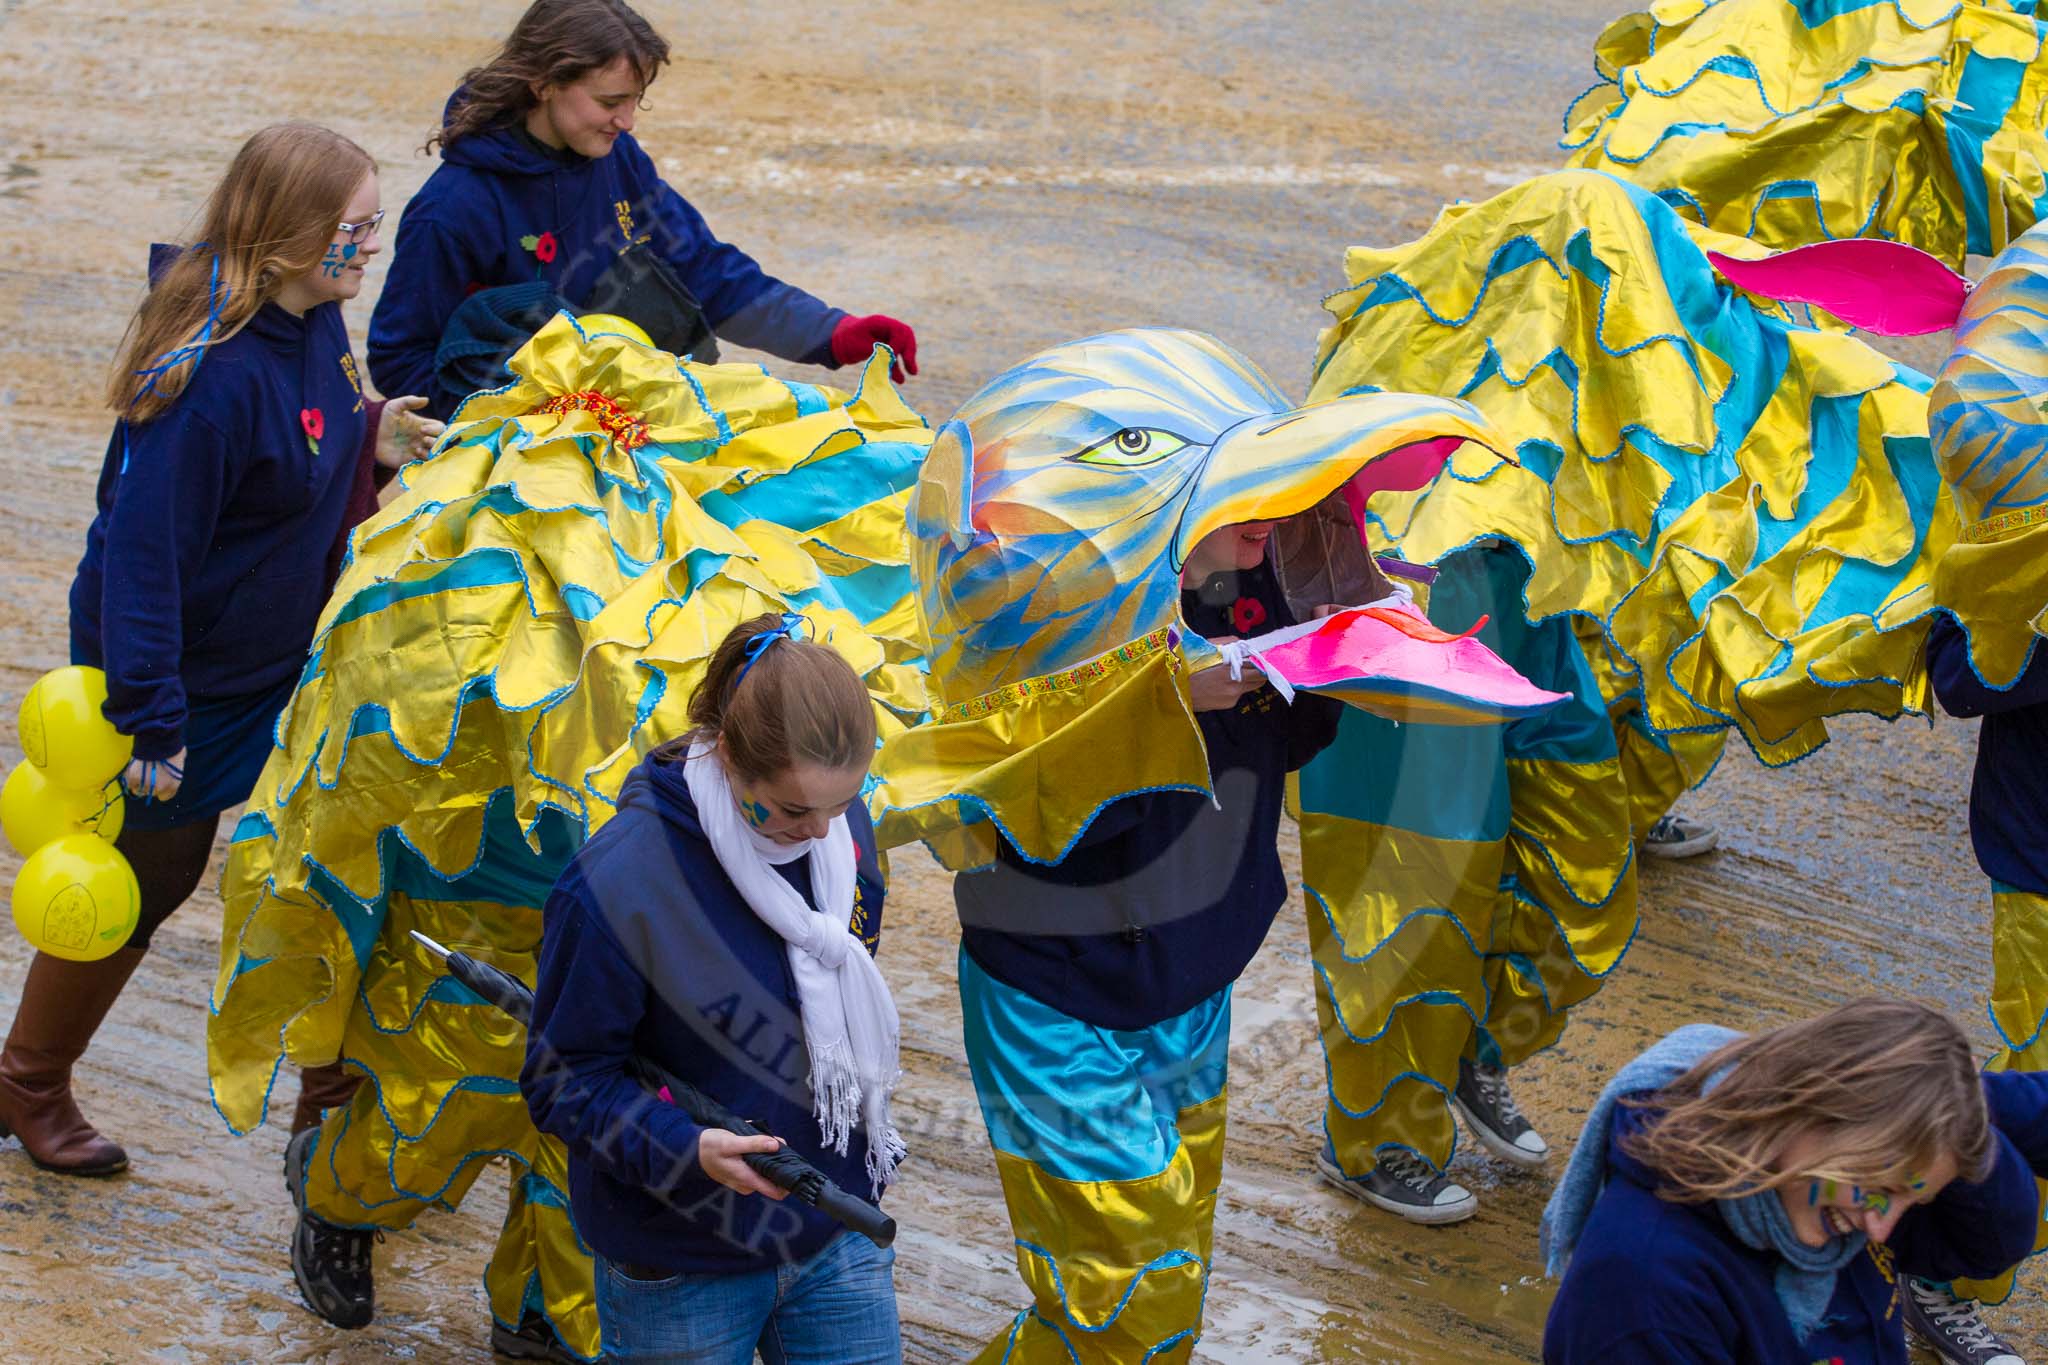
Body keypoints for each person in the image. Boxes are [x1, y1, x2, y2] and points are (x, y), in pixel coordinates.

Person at [0, 123, 440, 1179]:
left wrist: (369, 433)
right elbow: (141, 558)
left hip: (286, 660)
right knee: (148, 881)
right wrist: (150, 715)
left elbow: (307, 436)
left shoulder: (321, 318)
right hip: (182, 683)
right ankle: (27, 1081)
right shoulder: (205, 379)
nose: (372, 246)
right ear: (289, 238)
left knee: (340, 859)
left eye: (374, 223)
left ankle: (331, 1110)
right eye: (356, 228)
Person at [951, 515, 1344, 1363]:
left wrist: (1350, 620)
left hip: (1193, 978)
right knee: (1132, 1289)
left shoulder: (1262, 579)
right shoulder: (1054, 591)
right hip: (1052, 991)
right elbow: (1013, 790)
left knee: (1166, 1281)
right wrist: (1159, 690)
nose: (1269, 521)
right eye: (1246, 504)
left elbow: (1294, 740)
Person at [519, 613, 904, 1363]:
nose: (827, 833)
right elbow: (560, 1081)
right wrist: (686, 1146)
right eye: (797, 809)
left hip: (834, 1229)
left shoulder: (841, 828)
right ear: (729, 755)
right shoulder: (619, 884)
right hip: (681, 1260)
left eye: (842, 802)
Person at [368, 0, 919, 420]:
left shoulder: (615, 159)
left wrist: (832, 332)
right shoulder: (453, 209)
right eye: (610, 102)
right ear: (542, 83)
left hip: (632, 423)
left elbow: (701, 267)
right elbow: (400, 361)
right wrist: (521, 422)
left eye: (636, 100)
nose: (627, 120)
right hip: (526, 467)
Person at [1541, 999, 2044, 1364]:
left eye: (1912, 1201)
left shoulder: (1822, 1190)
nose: (1881, 1229)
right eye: (1883, 1187)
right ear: (1815, 1112)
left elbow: (1990, 1237)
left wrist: (1942, 1101)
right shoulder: (1643, 1296)